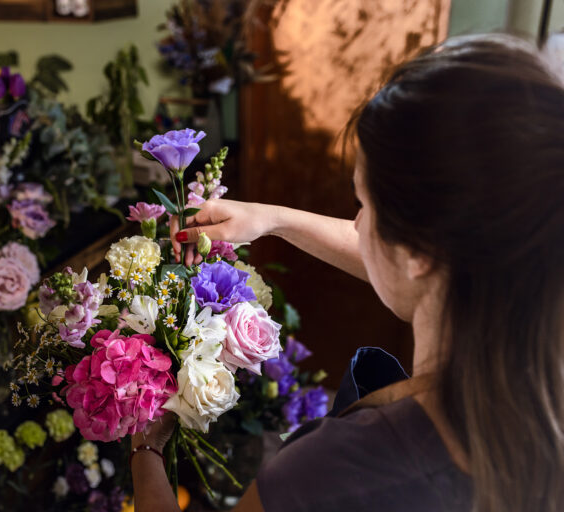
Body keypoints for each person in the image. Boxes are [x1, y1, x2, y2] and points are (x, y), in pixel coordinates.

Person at [128, 34, 564, 512]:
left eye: (364, 204)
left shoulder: (331, 475)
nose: (356, 223)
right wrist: (278, 219)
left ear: (421, 249)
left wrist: (145, 449)